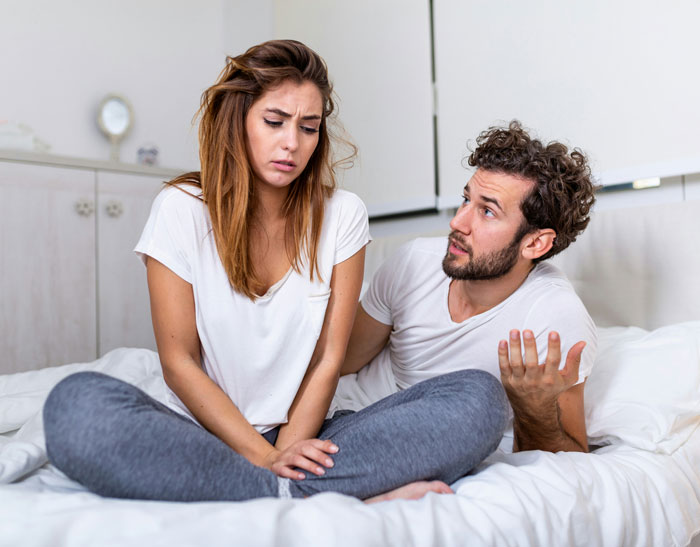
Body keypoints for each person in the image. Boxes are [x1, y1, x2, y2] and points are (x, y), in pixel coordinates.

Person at [43, 40, 504, 503]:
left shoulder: (344, 214)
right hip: (203, 435)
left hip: (311, 435)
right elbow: (178, 362)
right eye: (274, 122)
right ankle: (295, 493)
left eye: (309, 128)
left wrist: (288, 452)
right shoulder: (180, 209)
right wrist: (264, 460)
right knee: (76, 407)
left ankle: (267, 490)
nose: (292, 143)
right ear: (238, 118)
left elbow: (327, 359)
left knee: (478, 399)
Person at [339, 120, 598, 454]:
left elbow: (570, 460)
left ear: (535, 244)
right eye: (466, 200)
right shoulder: (413, 262)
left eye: (487, 211)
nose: (458, 222)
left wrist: (533, 408)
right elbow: (338, 362)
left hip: (433, 445)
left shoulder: (552, 317)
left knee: (479, 395)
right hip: (346, 422)